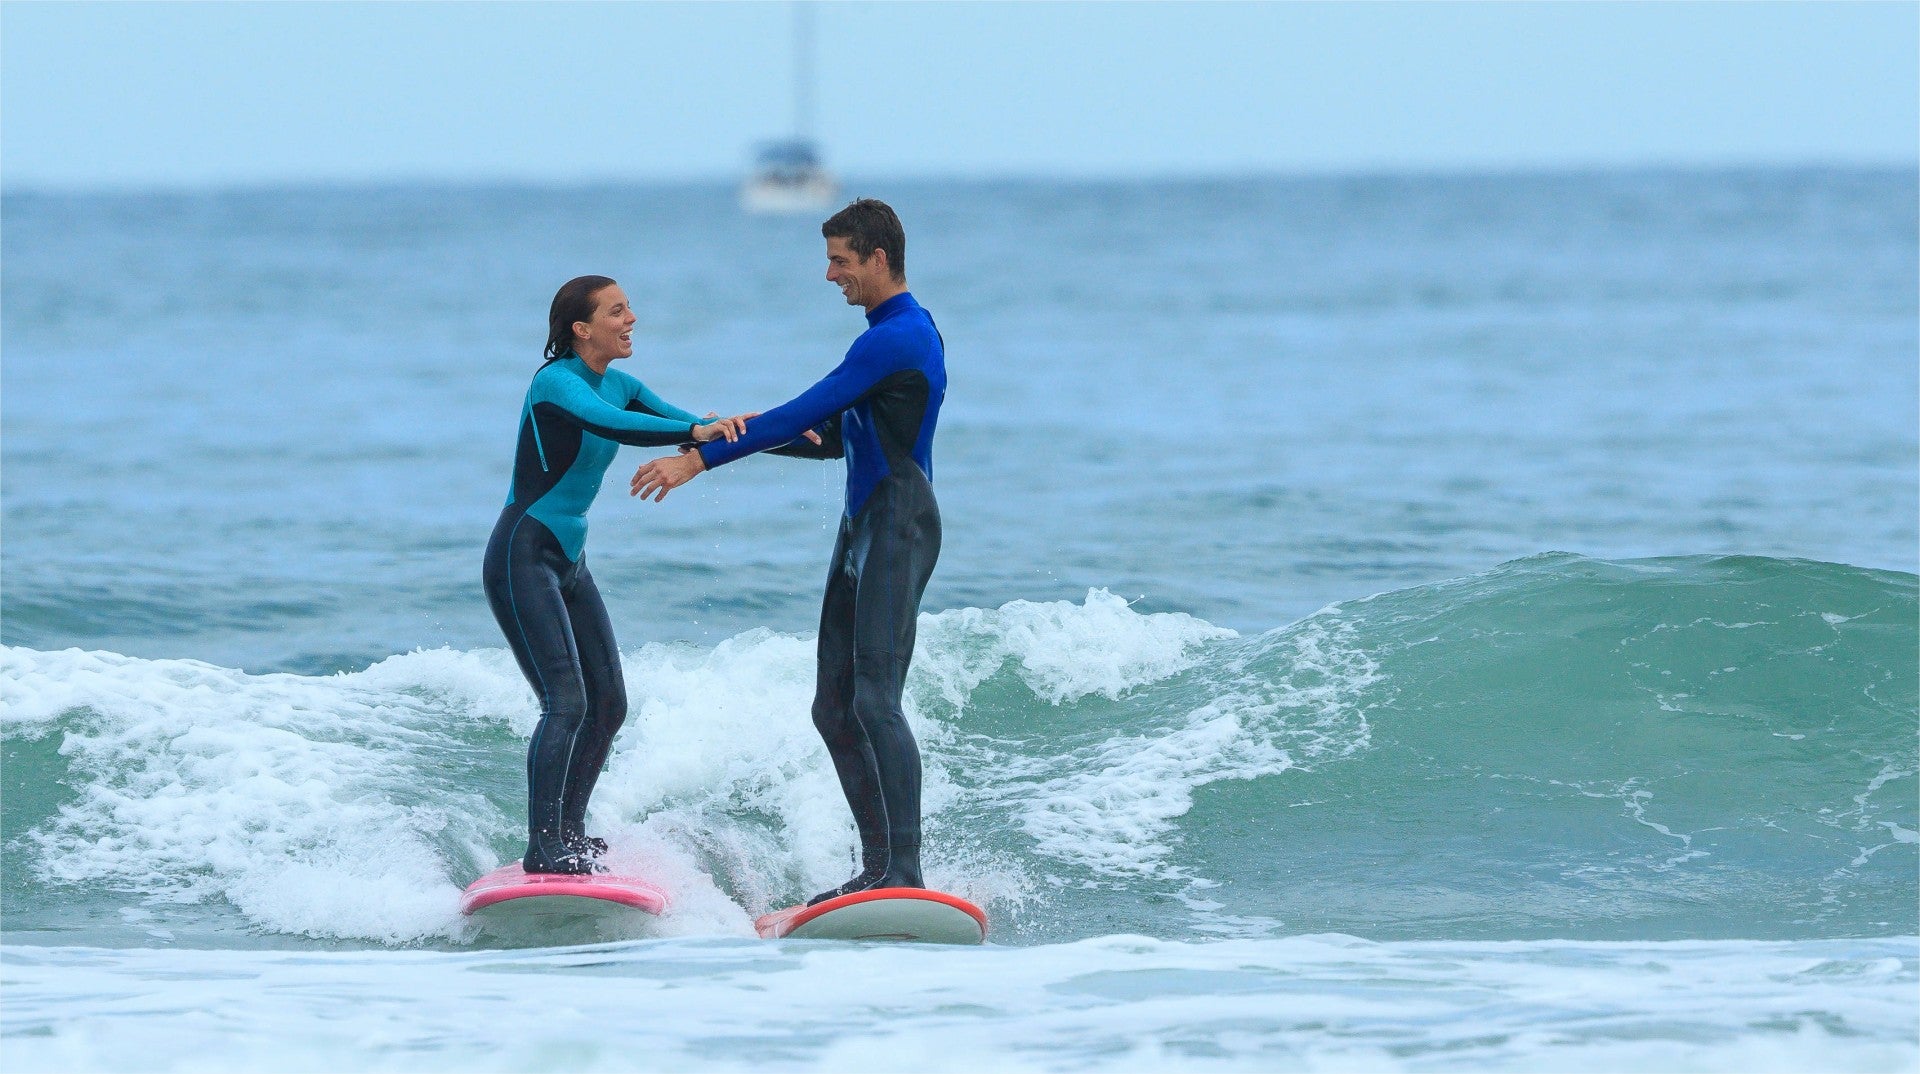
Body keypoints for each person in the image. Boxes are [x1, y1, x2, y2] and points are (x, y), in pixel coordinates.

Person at [629, 199, 946, 904]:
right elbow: (833, 432)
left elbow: (810, 408)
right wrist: (767, 435)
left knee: (875, 700)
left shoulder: (900, 336)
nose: (829, 273)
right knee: (834, 709)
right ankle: (877, 866)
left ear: (878, 260)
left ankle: (906, 870)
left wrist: (700, 459)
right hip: (861, 527)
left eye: (840, 260)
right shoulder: (879, 340)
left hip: (898, 523)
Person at [485, 275, 749, 875]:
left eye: (629, 308)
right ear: (582, 329)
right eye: (617, 311)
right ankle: (544, 845)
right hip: (523, 553)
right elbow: (618, 427)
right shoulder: (555, 383)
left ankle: (570, 835)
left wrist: (755, 429)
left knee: (609, 703)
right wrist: (694, 433)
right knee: (566, 701)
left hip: (569, 561)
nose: (631, 319)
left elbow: (690, 426)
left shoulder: (622, 383)